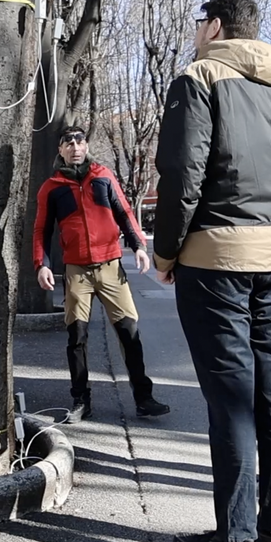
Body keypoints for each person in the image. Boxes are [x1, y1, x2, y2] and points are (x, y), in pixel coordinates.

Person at [152, 0, 271, 542]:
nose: (197, 33)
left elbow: (182, 174)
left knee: (231, 398)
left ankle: (233, 537)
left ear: (216, 26)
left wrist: (166, 252)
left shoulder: (199, 79)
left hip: (216, 258)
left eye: (200, 23)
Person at [33, 125, 170, 424]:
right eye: (68, 143)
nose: (75, 147)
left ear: (86, 146)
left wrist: (139, 246)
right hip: (77, 271)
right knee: (77, 337)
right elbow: (41, 229)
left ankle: (143, 398)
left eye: (79, 141)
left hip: (111, 267)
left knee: (129, 332)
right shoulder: (51, 187)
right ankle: (81, 400)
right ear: (61, 150)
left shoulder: (103, 176)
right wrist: (41, 263)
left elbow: (124, 212)